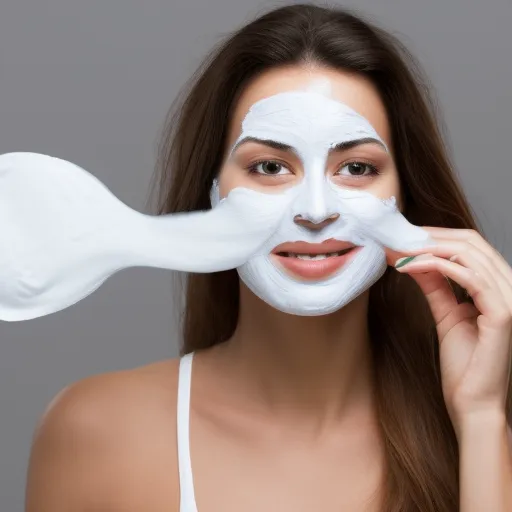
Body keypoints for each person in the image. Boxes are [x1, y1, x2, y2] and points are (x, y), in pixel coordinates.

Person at [24, 4, 512, 512]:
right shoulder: (95, 432)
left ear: (405, 196)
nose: (316, 211)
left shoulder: (482, 426)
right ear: (210, 194)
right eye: (271, 166)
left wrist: (480, 419)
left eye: (357, 167)